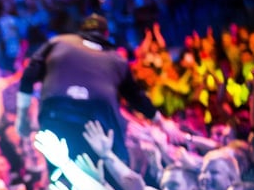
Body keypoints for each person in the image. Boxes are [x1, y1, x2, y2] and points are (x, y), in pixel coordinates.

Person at [16, 13, 167, 163]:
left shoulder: (57, 42)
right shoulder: (117, 59)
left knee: (60, 168)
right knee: (109, 164)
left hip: (55, 111)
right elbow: (135, 96)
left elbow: (29, 74)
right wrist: (158, 119)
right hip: (98, 116)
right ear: (106, 34)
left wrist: (22, 117)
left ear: (80, 32)